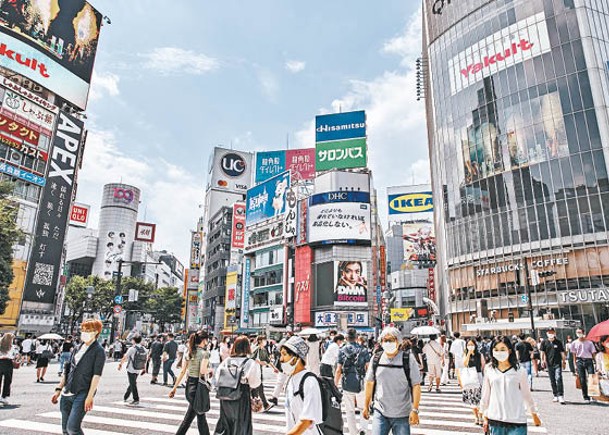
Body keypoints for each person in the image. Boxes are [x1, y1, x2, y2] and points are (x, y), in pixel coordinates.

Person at [363, 326, 421, 435]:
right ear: (381, 342)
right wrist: (366, 405)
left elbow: (416, 385)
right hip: (380, 411)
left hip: (402, 414)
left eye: (391, 340)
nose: (388, 343)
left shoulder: (408, 359)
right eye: (385, 340)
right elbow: (369, 383)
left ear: (398, 342)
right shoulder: (376, 359)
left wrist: (415, 410)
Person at [51, 319, 106, 435]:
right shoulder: (77, 348)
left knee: (73, 428)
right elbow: (67, 370)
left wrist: (90, 396)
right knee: (65, 430)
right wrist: (58, 389)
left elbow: (97, 375)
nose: (85, 332)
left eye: (89, 330)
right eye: (84, 330)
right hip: (67, 391)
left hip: (82, 392)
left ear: (96, 332)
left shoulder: (99, 351)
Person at [480, 336, 541, 435]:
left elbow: (526, 395)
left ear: (509, 350)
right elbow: (486, 394)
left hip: (517, 421)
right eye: (496, 350)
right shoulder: (489, 369)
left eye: (502, 349)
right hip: (495, 420)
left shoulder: (520, 371)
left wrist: (533, 413)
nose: (499, 352)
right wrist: (483, 414)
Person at [214, 335, 261, 435]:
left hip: (225, 396)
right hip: (241, 396)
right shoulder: (249, 363)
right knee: (241, 424)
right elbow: (255, 382)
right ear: (247, 347)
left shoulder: (226, 361)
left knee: (226, 424)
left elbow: (217, 377)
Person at [280, 336, 324, 435]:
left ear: (296, 358)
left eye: (284, 354)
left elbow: (306, 420)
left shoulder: (309, 381)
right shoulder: (291, 379)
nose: (281, 359)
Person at [170, 330, 211, 435]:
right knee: (200, 417)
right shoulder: (205, 353)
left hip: (189, 387)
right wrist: (211, 370)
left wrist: (174, 388)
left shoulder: (189, 352)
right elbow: (202, 371)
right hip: (199, 387)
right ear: (204, 340)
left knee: (191, 418)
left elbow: (183, 371)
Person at [336, 328, 370, 435]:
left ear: (346, 338)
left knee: (349, 411)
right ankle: (363, 429)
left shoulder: (342, 350)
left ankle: (353, 432)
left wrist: (335, 385)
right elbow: (368, 368)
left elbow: (338, 370)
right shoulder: (364, 350)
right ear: (356, 338)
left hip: (347, 384)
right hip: (361, 383)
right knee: (363, 407)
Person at [570, 328, 597, 403]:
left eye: (580, 332)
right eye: (577, 332)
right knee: (582, 379)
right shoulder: (574, 343)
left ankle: (593, 395)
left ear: (583, 333)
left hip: (588, 360)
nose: (579, 334)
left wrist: (596, 363)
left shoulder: (589, 343)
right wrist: (575, 365)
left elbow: (593, 353)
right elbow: (574, 355)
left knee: (592, 378)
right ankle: (586, 397)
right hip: (579, 360)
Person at [539, 328, 566, 404]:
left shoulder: (558, 342)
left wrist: (564, 361)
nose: (551, 333)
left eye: (552, 332)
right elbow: (542, 352)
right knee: (552, 380)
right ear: (547, 333)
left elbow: (562, 352)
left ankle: (560, 395)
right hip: (549, 364)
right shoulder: (544, 342)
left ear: (554, 333)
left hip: (558, 363)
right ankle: (555, 395)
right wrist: (542, 360)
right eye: (549, 332)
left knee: (559, 378)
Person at [462, 338, 485, 426]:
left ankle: (481, 416)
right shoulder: (465, 354)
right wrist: (468, 353)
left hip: (478, 376)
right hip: (470, 377)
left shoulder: (479, 354)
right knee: (472, 398)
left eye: (472, 345)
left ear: (475, 345)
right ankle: (476, 416)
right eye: (469, 345)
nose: (470, 346)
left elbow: (483, 366)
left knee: (480, 397)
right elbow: (464, 364)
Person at [119, 334, 146, 406]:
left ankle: (136, 399)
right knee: (132, 382)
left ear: (134, 340)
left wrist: (120, 364)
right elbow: (144, 359)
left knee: (133, 383)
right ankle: (126, 396)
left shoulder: (132, 348)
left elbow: (125, 357)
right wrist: (144, 368)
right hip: (138, 369)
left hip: (131, 368)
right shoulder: (143, 348)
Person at [252, 335, 275, 412]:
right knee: (259, 389)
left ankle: (255, 405)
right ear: (260, 341)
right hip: (254, 372)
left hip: (259, 372)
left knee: (255, 390)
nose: (265, 342)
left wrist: (275, 368)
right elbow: (251, 360)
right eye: (264, 340)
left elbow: (267, 361)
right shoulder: (256, 349)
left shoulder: (264, 350)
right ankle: (265, 405)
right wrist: (261, 362)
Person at [0, 333, 20, 405]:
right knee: (7, 381)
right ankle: (4, 397)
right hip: (8, 363)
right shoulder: (13, 347)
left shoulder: (0, 344)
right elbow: (16, 356)